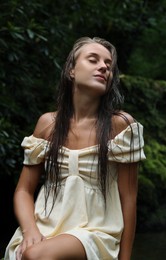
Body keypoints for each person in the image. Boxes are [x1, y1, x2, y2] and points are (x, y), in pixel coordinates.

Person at [4, 37, 146, 260]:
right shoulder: (47, 125)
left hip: (96, 233)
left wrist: (124, 258)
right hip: (43, 229)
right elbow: (23, 190)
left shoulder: (121, 126)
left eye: (108, 65)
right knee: (25, 253)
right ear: (71, 70)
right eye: (93, 60)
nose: (103, 67)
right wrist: (30, 230)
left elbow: (128, 198)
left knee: (36, 256)